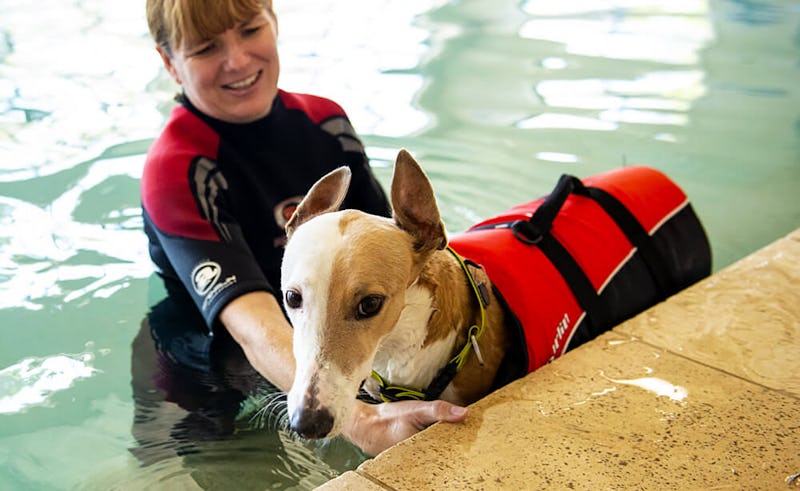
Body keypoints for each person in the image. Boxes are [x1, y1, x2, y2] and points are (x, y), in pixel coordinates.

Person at [141, 0, 467, 455]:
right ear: (169, 62)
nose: (236, 60)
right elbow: (251, 327)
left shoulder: (325, 123)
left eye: (251, 30)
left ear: (274, 22)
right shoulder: (176, 170)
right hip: (211, 359)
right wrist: (361, 418)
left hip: (335, 332)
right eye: (206, 47)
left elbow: (402, 253)